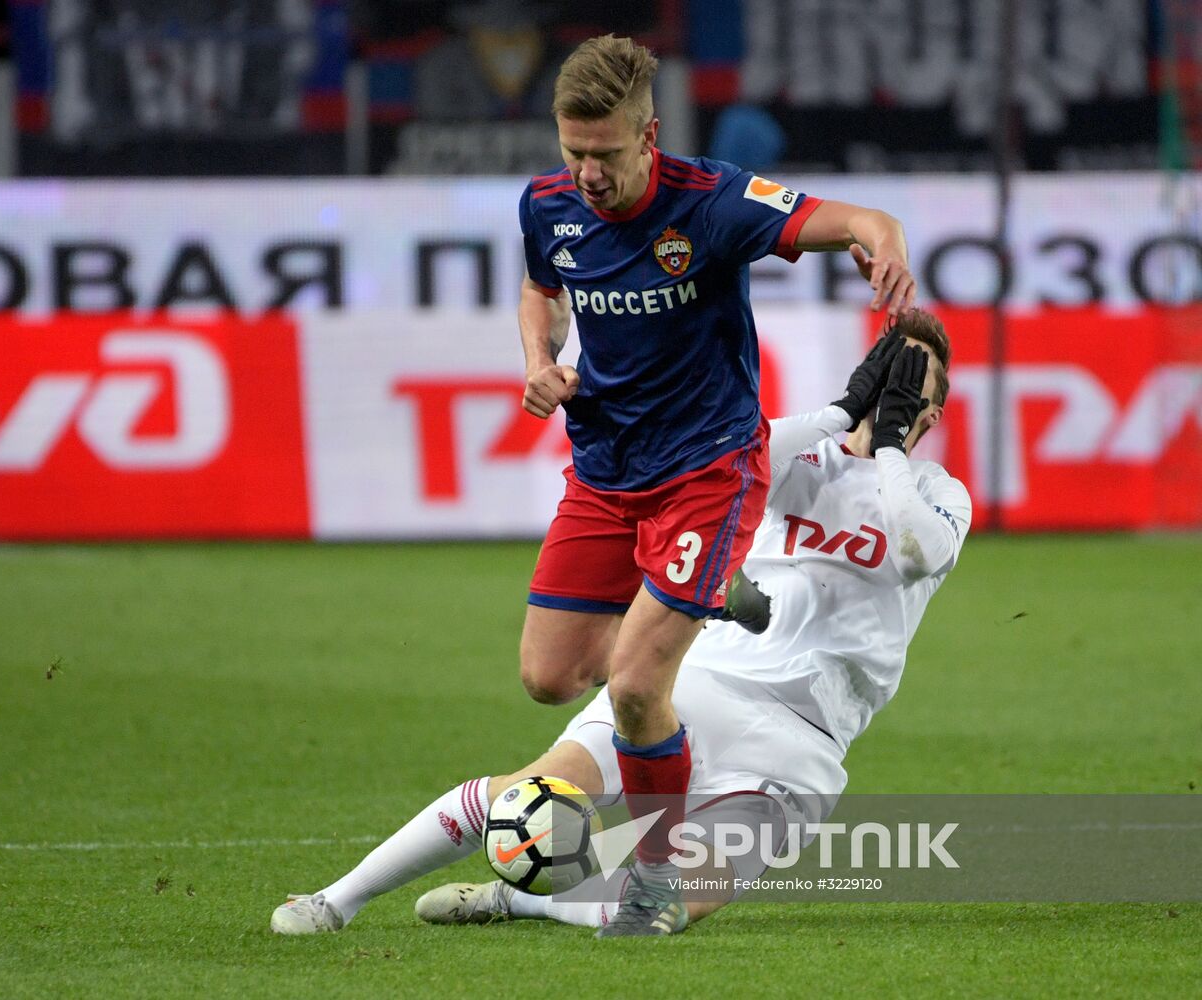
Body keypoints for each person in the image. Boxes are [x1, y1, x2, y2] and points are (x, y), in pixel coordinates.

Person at [272, 311, 970, 936]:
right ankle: (335, 901)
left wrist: (891, 444)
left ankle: (522, 900)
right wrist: (838, 409)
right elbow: (716, 458)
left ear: (931, 412)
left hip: (798, 747)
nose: (895, 390)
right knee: (531, 790)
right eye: (890, 370)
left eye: (915, 385)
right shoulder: (800, 462)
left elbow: (911, 551)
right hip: (692, 687)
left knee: (657, 912)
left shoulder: (940, 498)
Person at [513, 34, 916, 934]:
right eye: (572, 152)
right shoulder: (546, 205)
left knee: (636, 685)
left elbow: (851, 218)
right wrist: (540, 360)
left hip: (710, 468)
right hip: (607, 469)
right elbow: (541, 289)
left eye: (606, 155)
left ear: (648, 135)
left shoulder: (717, 201)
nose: (586, 173)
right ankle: (702, 599)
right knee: (550, 677)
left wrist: (881, 242)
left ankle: (653, 872)